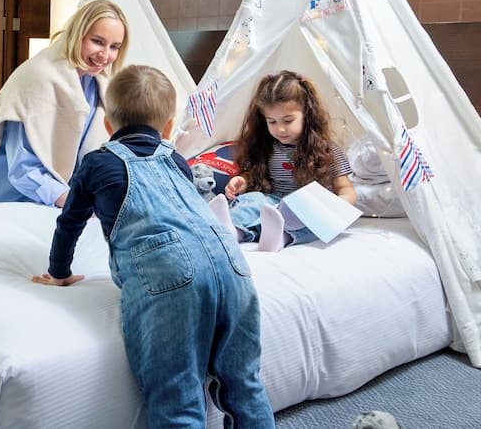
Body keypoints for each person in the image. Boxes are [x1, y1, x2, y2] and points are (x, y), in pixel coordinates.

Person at [33, 65, 274, 428]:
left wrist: (59, 272)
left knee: (177, 397)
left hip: (170, 274)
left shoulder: (96, 163)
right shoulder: (176, 159)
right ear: (168, 126)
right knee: (244, 384)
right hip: (232, 262)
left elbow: (69, 223)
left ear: (108, 126)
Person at [0, 0, 128, 207]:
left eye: (114, 47)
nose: (105, 55)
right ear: (77, 34)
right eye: (97, 41)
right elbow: (23, 169)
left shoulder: (98, 83)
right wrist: (76, 203)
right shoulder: (38, 78)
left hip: (43, 178)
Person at [225, 70, 356, 252]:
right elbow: (257, 178)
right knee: (252, 200)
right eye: (272, 122)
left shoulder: (328, 150)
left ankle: (281, 238)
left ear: (306, 114)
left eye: (288, 120)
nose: (280, 129)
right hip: (274, 203)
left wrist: (335, 208)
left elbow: (346, 189)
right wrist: (243, 181)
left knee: (310, 220)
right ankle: (232, 231)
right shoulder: (267, 146)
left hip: (307, 207)